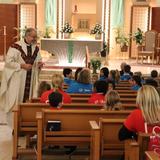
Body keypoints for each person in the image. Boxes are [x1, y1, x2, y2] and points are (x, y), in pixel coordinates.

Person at [0, 28, 43, 127]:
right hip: (18, 80)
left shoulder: (35, 48)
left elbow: (38, 60)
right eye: (33, 37)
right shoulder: (16, 46)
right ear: (26, 36)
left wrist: (39, 64)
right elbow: (8, 62)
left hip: (30, 80)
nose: (34, 39)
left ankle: (27, 126)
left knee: (29, 103)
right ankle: (15, 127)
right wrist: (21, 66)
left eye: (35, 37)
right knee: (16, 102)